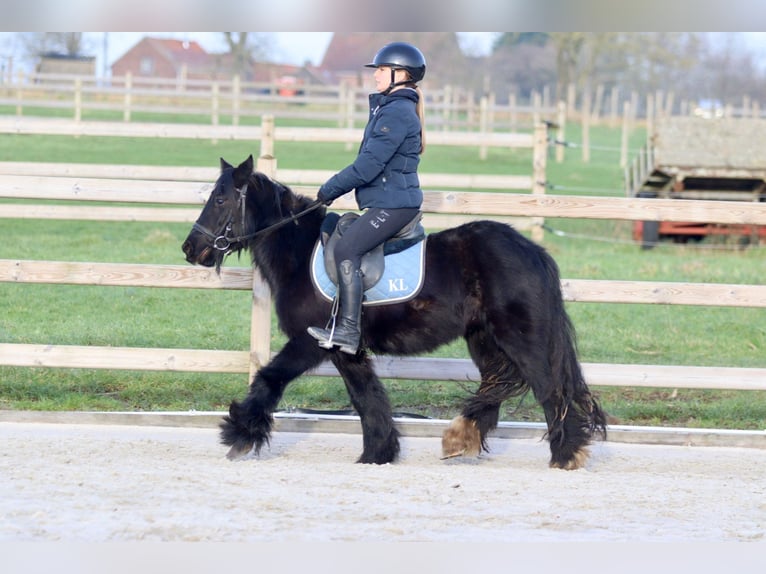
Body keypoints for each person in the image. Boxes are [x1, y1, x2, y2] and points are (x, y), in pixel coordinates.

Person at [307, 41, 427, 354]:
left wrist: (329, 190)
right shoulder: (390, 109)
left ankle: (348, 331)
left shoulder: (397, 113)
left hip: (395, 206)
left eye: (382, 71)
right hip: (388, 202)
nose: (375, 77)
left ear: (401, 74)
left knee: (347, 248)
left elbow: (368, 166)